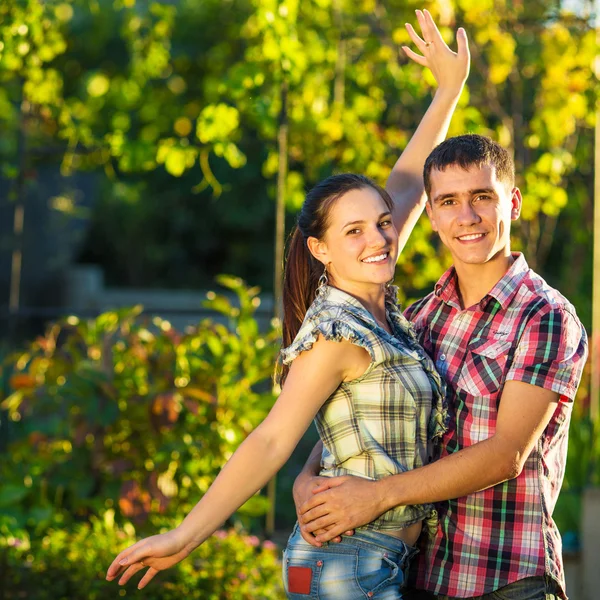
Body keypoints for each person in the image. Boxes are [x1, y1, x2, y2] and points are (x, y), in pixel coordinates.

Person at [104, 9, 470, 597]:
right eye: (354, 232)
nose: (377, 238)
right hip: (344, 564)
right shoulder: (338, 335)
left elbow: (404, 183)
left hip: (369, 559)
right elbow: (272, 440)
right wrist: (186, 535)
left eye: (382, 224)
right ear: (321, 249)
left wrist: (448, 90)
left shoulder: (374, 302)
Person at [294, 134, 588, 600]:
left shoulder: (544, 315)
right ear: (431, 214)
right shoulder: (419, 316)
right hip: (414, 574)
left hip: (505, 579)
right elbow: (361, 407)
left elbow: (506, 453)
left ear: (512, 203)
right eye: (449, 201)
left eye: (482, 198)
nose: (466, 217)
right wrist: (310, 479)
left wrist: (378, 495)